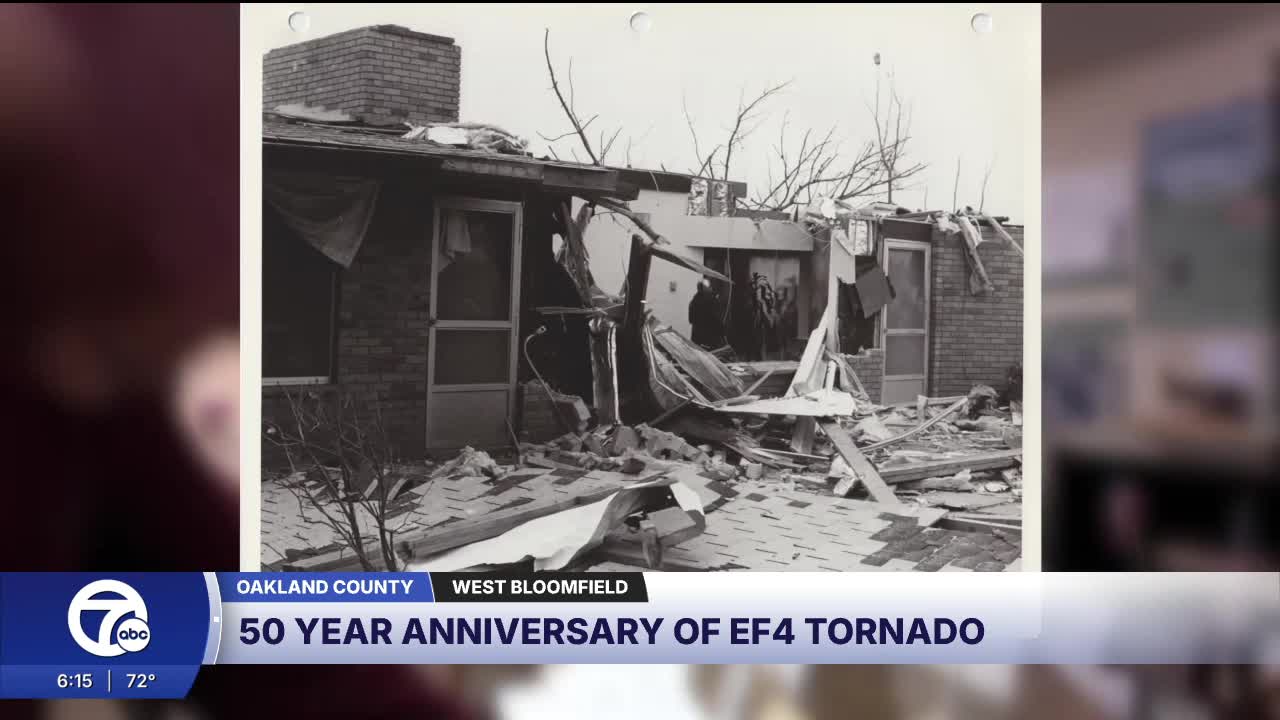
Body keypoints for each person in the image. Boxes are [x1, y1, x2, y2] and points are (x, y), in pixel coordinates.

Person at [688, 278, 725, 350]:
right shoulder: (712, 300)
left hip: (696, 338)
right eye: (709, 286)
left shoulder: (693, 300)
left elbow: (690, 320)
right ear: (705, 288)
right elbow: (717, 319)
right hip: (710, 338)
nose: (711, 288)